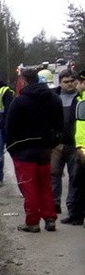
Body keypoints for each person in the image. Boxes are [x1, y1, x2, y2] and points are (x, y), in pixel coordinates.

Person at [5, 67, 64, 232]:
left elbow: (10, 128)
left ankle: (32, 222)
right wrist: (51, 143)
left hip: (23, 150)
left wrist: (12, 149)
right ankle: (50, 218)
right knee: (45, 185)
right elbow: (59, 125)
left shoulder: (19, 101)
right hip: (45, 149)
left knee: (29, 187)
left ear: (24, 81)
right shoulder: (54, 99)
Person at [53, 69, 80, 217]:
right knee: (54, 175)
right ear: (60, 83)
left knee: (74, 177)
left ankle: (72, 208)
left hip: (74, 144)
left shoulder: (80, 98)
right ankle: (54, 205)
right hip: (56, 144)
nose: (69, 84)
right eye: (66, 82)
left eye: (71, 81)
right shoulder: (53, 98)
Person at [62, 71, 85, 226]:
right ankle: (76, 216)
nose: (75, 84)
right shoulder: (79, 99)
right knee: (78, 182)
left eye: (78, 82)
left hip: (82, 147)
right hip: (78, 146)